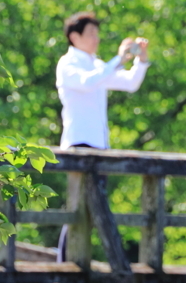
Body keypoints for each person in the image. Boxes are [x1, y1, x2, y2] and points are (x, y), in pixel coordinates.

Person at [55, 12, 149, 260]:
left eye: (97, 34)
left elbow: (130, 83)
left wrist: (140, 61)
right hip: (78, 144)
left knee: (89, 209)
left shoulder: (97, 65)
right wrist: (119, 58)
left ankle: (73, 265)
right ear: (74, 37)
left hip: (99, 146)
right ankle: (64, 267)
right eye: (91, 34)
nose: (96, 39)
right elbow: (88, 82)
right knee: (78, 208)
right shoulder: (68, 64)